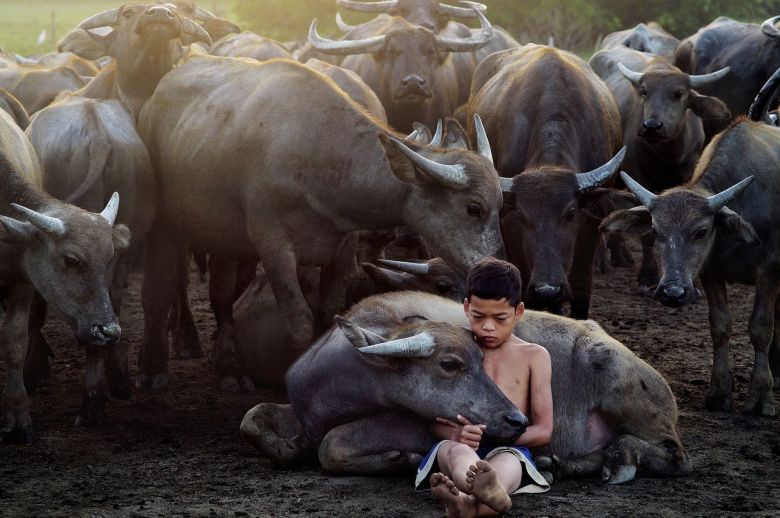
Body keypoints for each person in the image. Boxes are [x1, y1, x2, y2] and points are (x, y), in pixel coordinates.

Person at [415, 258, 553, 517]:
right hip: (460, 446)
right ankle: (473, 493)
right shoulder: (455, 350)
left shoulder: (535, 356)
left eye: (500, 318)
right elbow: (431, 417)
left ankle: (468, 503)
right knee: (459, 453)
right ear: (466, 307)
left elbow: (544, 430)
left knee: (508, 463)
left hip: (510, 447)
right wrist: (457, 434)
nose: (488, 327)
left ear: (519, 311)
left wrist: (498, 437)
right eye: (478, 317)